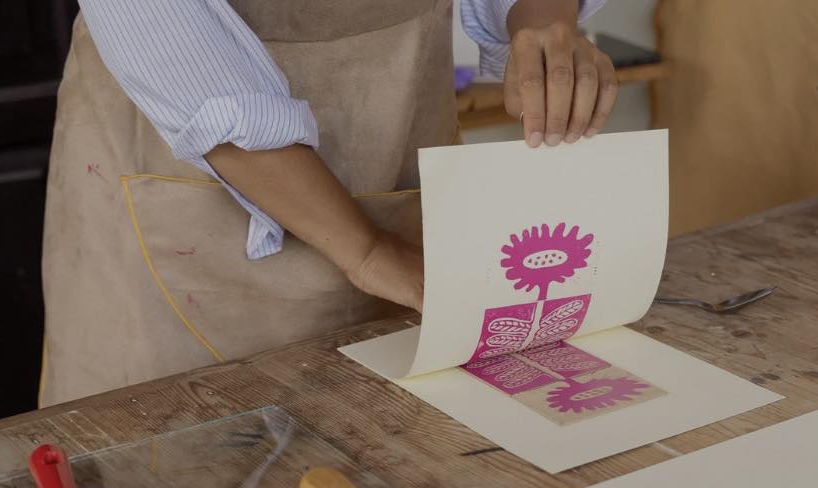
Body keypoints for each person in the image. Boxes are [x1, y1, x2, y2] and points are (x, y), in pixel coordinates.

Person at [39, 0, 616, 406]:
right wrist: (365, 250)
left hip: (402, 113)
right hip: (180, 151)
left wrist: (543, 16)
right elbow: (185, 61)